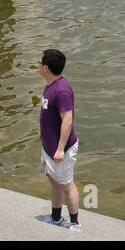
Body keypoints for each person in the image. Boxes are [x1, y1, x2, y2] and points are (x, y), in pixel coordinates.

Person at [38, 48, 81, 232]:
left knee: (66, 184)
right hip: (48, 145)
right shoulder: (50, 85)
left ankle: (74, 223)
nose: (37, 66)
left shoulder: (62, 90)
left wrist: (60, 148)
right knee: (54, 181)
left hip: (60, 148)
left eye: (39, 63)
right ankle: (56, 218)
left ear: (46, 68)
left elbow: (67, 120)